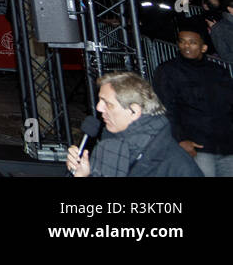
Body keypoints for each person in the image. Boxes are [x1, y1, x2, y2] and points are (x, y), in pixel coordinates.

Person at [66, 71, 202, 177]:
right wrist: (82, 174)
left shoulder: (176, 165)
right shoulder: (109, 145)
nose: (98, 108)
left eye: (107, 103)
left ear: (134, 111)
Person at [151, 26, 233, 176]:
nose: (186, 46)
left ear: (204, 47)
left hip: (226, 144)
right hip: (196, 146)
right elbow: (164, 108)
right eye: (182, 41)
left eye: (192, 42)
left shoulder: (218, 71)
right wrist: (180, 140)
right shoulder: (167, 71)